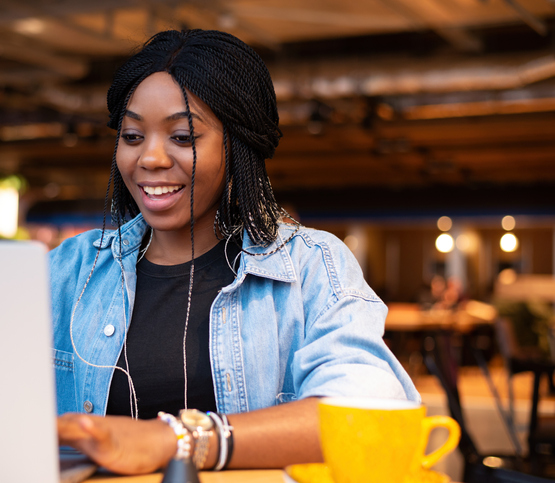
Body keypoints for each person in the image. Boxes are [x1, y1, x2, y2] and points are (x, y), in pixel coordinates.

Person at [50, 29, 419, 475]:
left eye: (183, 137)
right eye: (131, 136)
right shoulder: (70, 270)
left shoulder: (311, 266)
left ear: (236, 146)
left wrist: (179, 440)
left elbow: (367, 410)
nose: (149, 158)